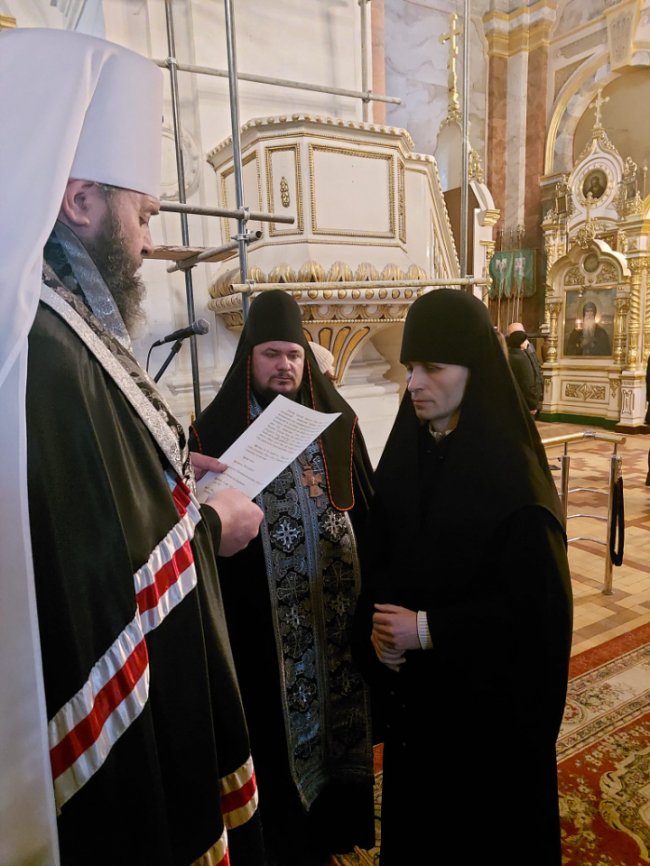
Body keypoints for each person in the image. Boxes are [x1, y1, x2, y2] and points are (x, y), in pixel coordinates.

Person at [0, 28, 266, 866]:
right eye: (143, 213)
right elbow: (76, 580)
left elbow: (93, 484)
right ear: (80, 202)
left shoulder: (57, 314)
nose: (149, 240)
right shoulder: (41, 349)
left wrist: (170, 472)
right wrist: (208, 526)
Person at [353, 289, 573, 866]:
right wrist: (378, 630)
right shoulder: (409, 456)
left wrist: (426, 629)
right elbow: (381, 563)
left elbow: (538, 623)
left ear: (473, 369)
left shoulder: (517, 487)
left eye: (432, 367)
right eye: (409, 368)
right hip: (420, 720)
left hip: (487, 738)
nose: (414, 384)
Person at [190, 290, 376, 866]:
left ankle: (331, 833)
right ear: (250, 357)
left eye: (293, 354)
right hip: (264, 642)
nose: (285, 366)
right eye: (272, 353)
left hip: (335, 636)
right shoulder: (212, 434)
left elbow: (371, 516)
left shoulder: (339, 426)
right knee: (272, 748)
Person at [507, 320, 544, 415]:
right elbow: (527, 381)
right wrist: (532, 404)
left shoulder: (529, 348)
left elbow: (536, 368)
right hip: (524, 400)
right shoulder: (518, 356)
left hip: (531, 397)